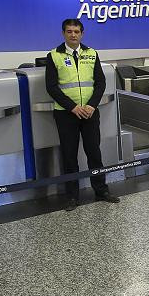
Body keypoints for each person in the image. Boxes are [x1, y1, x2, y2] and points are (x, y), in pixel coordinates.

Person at [45, 18, 120, 211]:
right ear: (63, 33)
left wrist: (91, 106)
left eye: (76, 31)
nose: (73, 35)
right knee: (69, 156)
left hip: (89, 113)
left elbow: (100, 83)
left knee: (94, 152)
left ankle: (101, 190)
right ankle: (72, 197)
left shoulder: (91, 54)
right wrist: (72, 107)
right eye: (69, 31)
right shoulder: (54, 56)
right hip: (66, 114)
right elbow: (51, 87)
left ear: (82, 34)